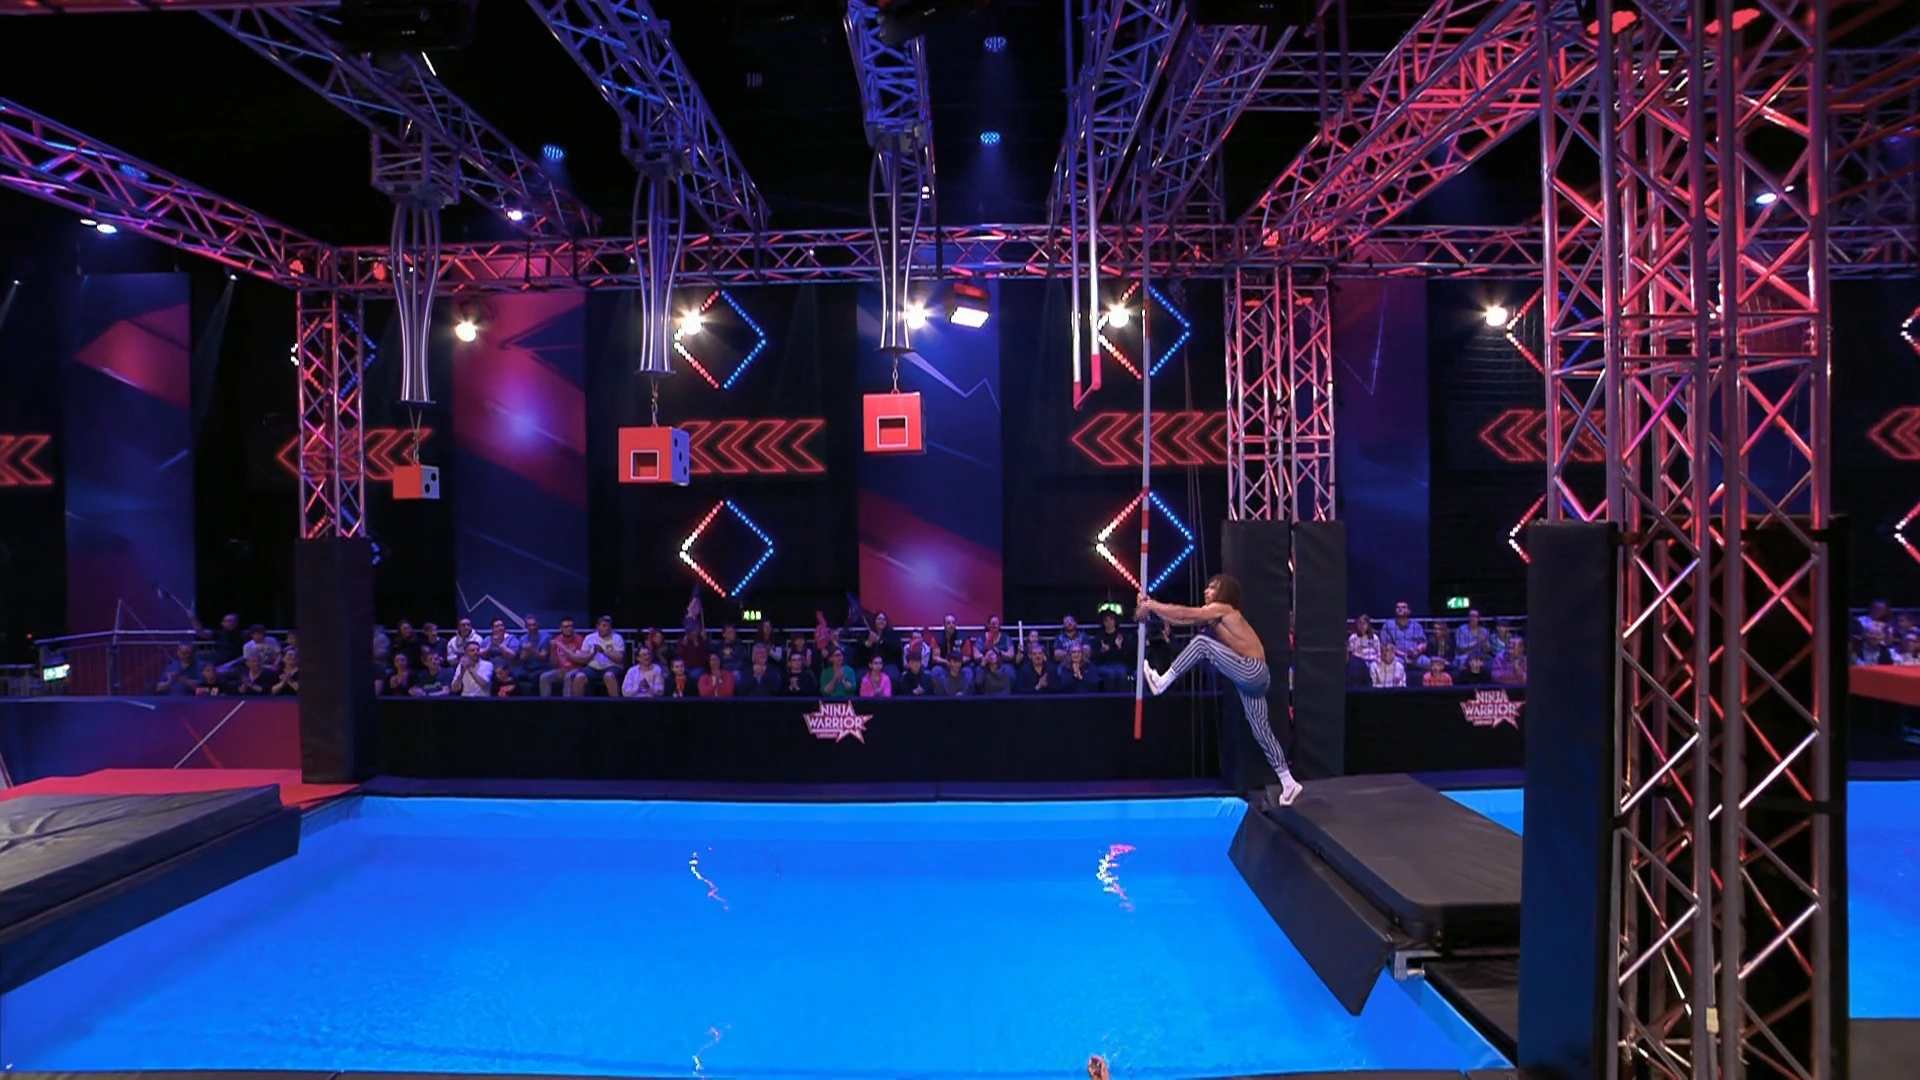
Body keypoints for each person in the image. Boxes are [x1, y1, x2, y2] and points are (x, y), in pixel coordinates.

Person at [1137, 574, 1302, 807]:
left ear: (1224, 593)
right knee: (1261, 731)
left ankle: (1162, 682)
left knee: (1201, 644)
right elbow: (1180, 619)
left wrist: (1152, 605)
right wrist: (1150, 610)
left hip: (1252, 670)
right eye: (1207, 587)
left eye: (1213, 588)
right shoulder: (1216, 618)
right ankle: (1288, 782)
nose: (1207, 591)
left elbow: (1186, 613)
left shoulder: (1224, 609)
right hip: (1253, 678)